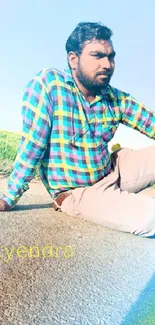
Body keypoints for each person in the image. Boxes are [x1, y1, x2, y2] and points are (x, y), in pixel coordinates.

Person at [1, 22, 155, 237]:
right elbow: (33, 143)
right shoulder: (49, 84)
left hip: (113, 171)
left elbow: (150, 121)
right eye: (98, 56)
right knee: (150, 218)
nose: (107, 64)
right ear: (73, 59)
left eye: (111, 57)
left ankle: (121, 199)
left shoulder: (113, 97)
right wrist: (9, 198)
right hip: (79, 192)